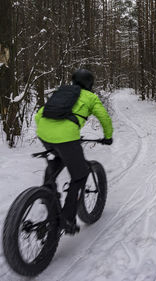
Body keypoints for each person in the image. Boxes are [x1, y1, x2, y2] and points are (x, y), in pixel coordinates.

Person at [34, 69, 113, 234]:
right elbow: (104, 117)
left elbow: (39, 114)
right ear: (89, 83)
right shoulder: (90, 97)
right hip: (67, 137)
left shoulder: (62, 92)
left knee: (58, 158)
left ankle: (47, 192)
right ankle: (67, 219)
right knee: (80, 174)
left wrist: (49, 131)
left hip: (44, 133)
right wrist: (107, 136)